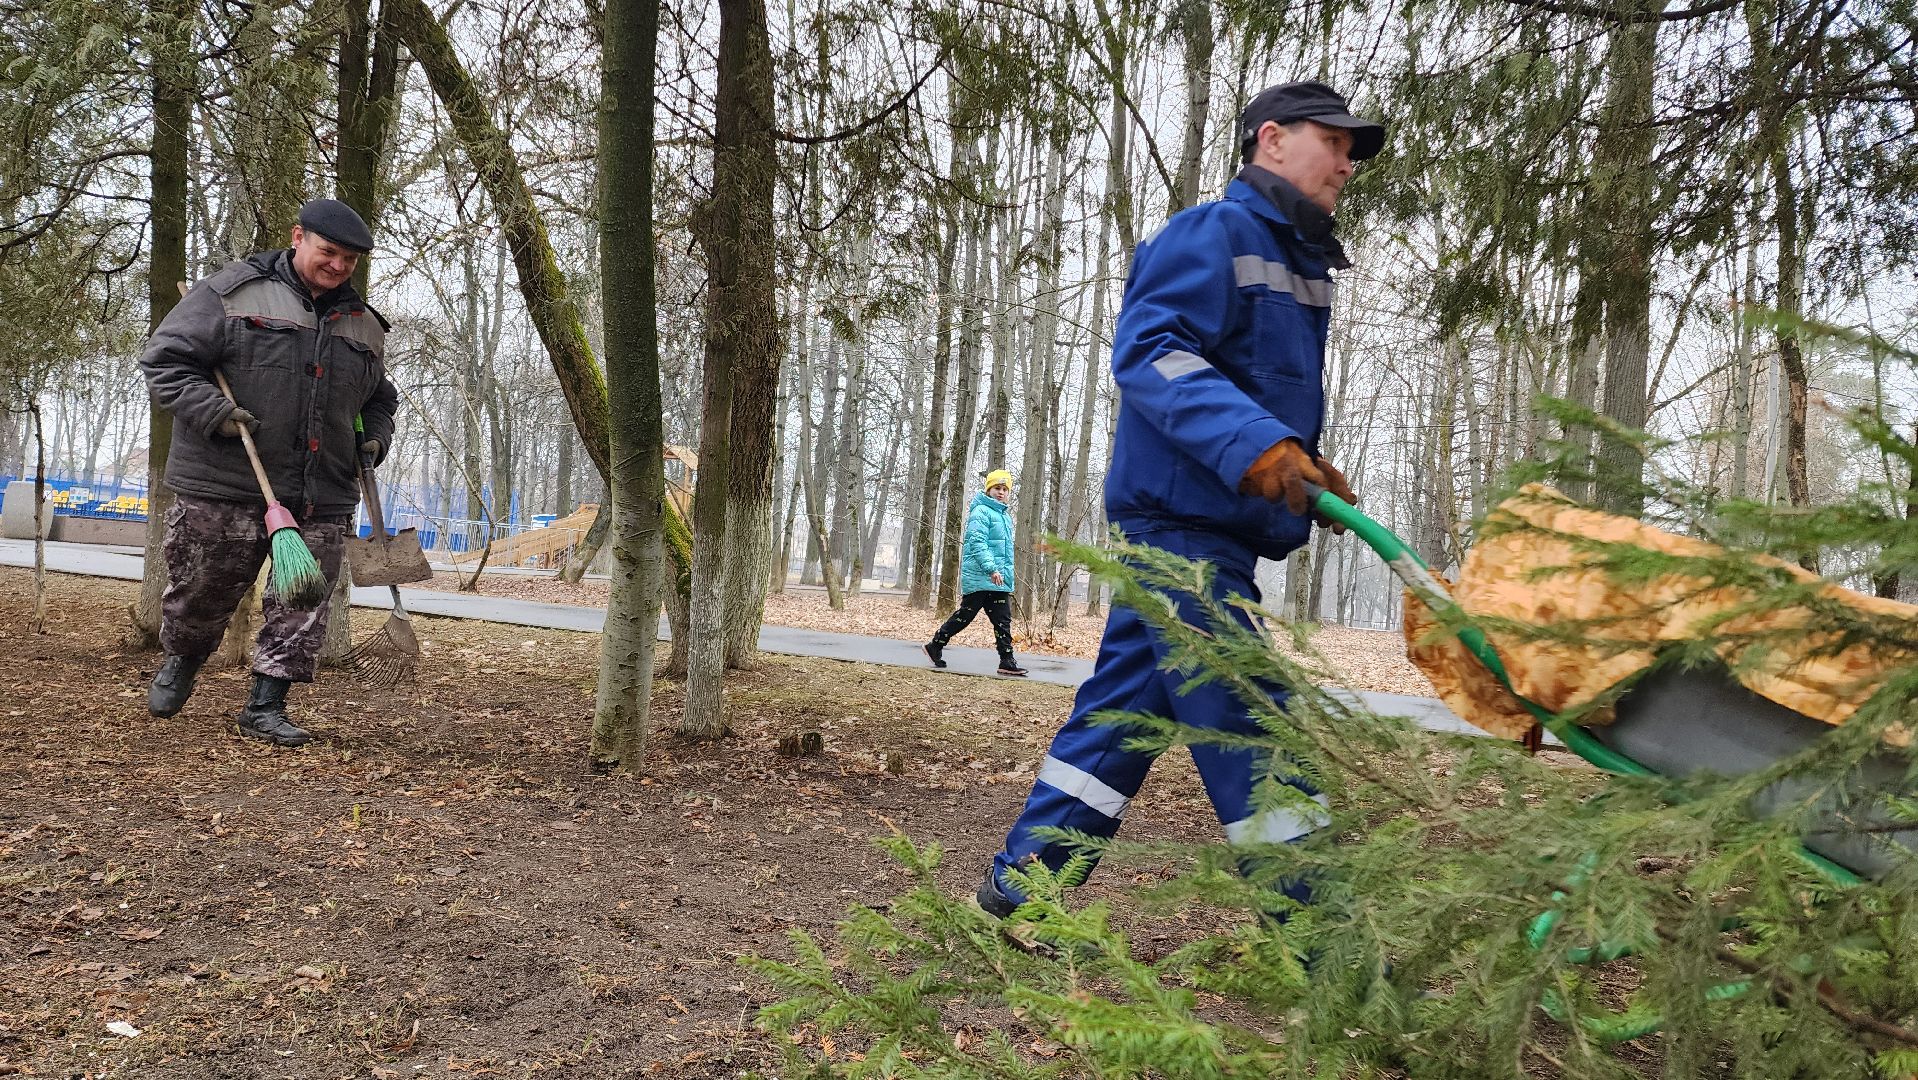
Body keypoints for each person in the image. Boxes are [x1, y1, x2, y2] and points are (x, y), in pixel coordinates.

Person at [976, 82, 1377, 919]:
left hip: (1215, 536)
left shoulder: (1300, 265)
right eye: (1332, 141)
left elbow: (1247, 383)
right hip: (1181, 537)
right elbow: (1152, 350)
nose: (1347, 160)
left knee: (1118, 727)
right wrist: (1255, 447)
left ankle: (1018, 898)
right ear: (1270, 140)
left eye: (1353, 148)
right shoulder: (1217, 233)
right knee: (1254, 733)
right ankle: (1329, 942)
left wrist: (1297, 459)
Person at [140, 198, 400, 747]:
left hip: (321, 489)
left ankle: (265, 706)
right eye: (328, 253)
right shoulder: (229, 294)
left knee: (302, 602)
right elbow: (165, 361)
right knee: (203, 589)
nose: (337, 267)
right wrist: (214, 411)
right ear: (298, 236)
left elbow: (379, 399)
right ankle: (182, 662)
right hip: (226, 482)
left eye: (350, 260)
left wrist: (374, 437)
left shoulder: (364, 324)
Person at [924, 469, 1028, 678]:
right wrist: (992, 569)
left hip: (998, 579)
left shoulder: (1005, 516)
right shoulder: (981, 512)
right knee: (965, 616)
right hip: (981, 577)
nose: (1001, 493)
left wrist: (1002, 573)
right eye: (997, 488)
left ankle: (1007, 661)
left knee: (1003, 620)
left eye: (1004, 489)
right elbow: (977, 544)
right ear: (988, 489)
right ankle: (935, 644)